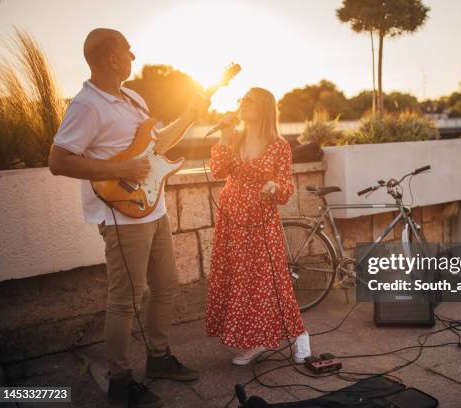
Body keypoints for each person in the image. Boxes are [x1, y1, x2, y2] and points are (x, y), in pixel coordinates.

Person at [48, 28, 210, 408]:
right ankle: (119, 380)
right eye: (128, 51)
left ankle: (158, 358)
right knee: (126, 300)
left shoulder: (132, 98)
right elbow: (58, 160)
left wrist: (188, 116)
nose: (134, 57)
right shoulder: (87, 105)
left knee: (166, 286)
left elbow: (156, 145)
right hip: (122, 217)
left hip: (153, 208)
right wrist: (123, 166)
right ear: (111, 59)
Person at [204, 87, 311, 365]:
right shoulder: (236, 138)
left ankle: (300, 334)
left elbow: (287, 185)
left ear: (263, 107)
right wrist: (224, 134)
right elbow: (218, 170)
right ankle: (254, 340)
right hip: (231, 218)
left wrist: (274, 186)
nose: (242, 104)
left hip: (260, 220)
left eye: (248, 101)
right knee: (239, 280)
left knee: (270, 281)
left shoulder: (279, 145)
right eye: (241, 99)